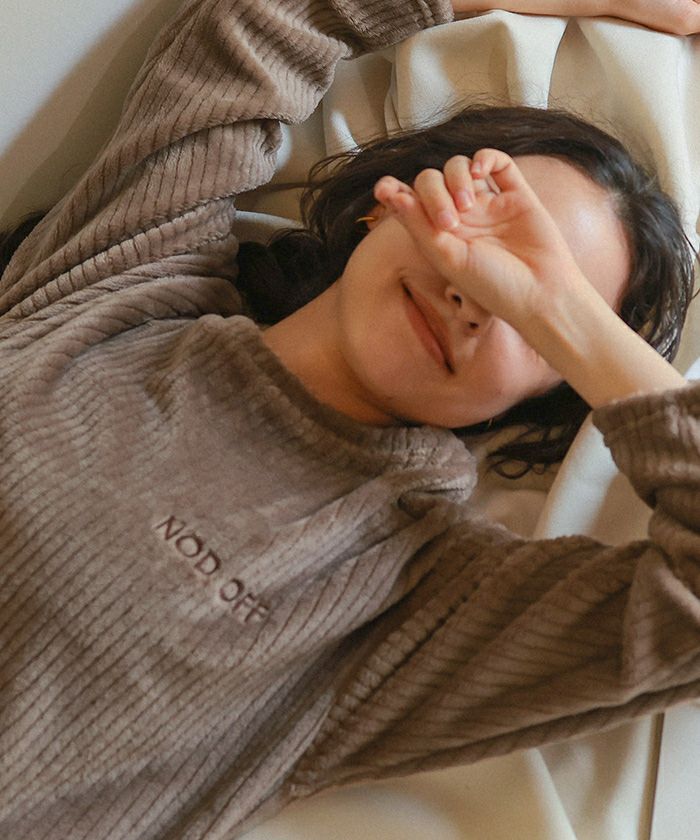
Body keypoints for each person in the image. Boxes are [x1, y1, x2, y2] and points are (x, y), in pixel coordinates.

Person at [0, 1, 698, 839]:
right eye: (485, 232)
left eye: (531, 315)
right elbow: (270, 18)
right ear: (389, 204)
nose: (475, 295)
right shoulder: (131, 281)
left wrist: (562, 312)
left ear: (542, 394)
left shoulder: (408, 598)